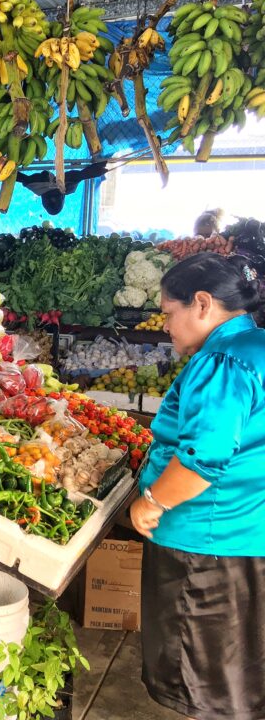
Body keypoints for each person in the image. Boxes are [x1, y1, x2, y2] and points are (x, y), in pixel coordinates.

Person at [130, 252, 265, 720]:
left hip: (205, 542)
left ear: (203, 303)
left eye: (170, 312)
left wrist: (150, 503)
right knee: (235, 669)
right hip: (245, 530)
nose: (166, 326)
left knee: (200, 677)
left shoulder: (223, 361)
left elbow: (203, 460)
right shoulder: (257, 346)